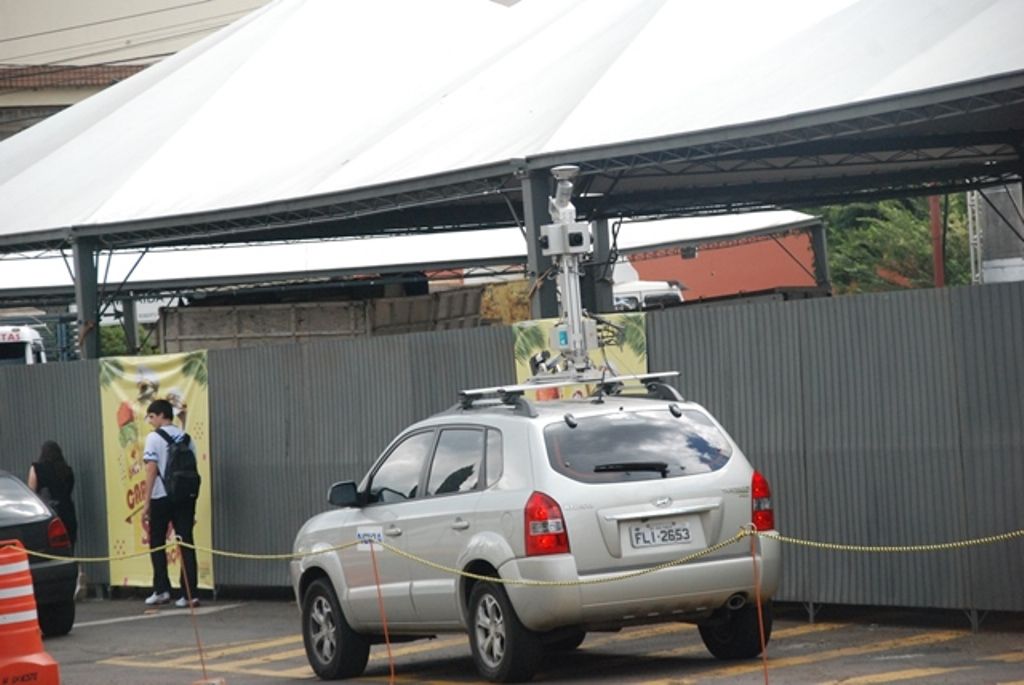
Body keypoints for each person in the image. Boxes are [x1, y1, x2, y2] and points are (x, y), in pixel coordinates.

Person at [142, 399, 199, 608]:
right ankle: (190, 593)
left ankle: (161, 589)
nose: (149, 421)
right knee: (186, 542)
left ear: (160, 415)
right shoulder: (186, 437)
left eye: (151, 416)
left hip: (161, 496)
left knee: (157, 541)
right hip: (185, 496)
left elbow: (151, 469)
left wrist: (146, 502)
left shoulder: (153, 438)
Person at [28, 440, 78, 548]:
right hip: (68, 513)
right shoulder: (67, 470)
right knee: (68, 549)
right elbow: (68, 491)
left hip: (48, 514)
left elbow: (31, 493)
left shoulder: (37, 469)